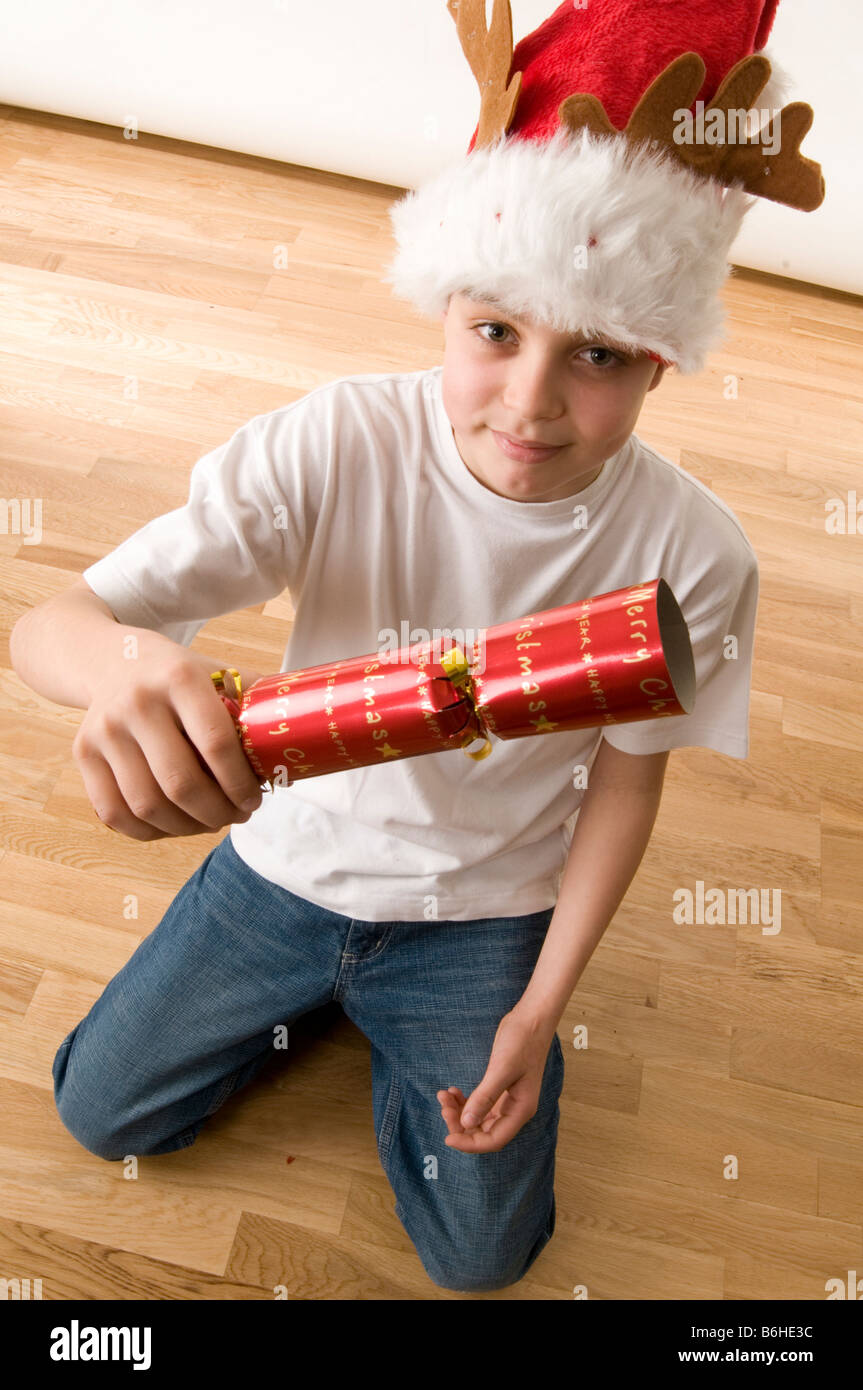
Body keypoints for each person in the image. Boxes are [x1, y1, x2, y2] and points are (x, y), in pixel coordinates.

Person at [9, 0, 822, 1294]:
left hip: (483, 911)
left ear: (663, 360)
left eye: (598, 353)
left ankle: (391, 1027)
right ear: (445, 297)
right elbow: (49, 625)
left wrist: (538, 1006)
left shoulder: (698, 557)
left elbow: (626, 777)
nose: (533, 401)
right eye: (496, 329)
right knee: (99, 1112)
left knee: (484, 1255)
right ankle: (323, 1008)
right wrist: (126, 669)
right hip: (287, 861)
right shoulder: (334, 443)